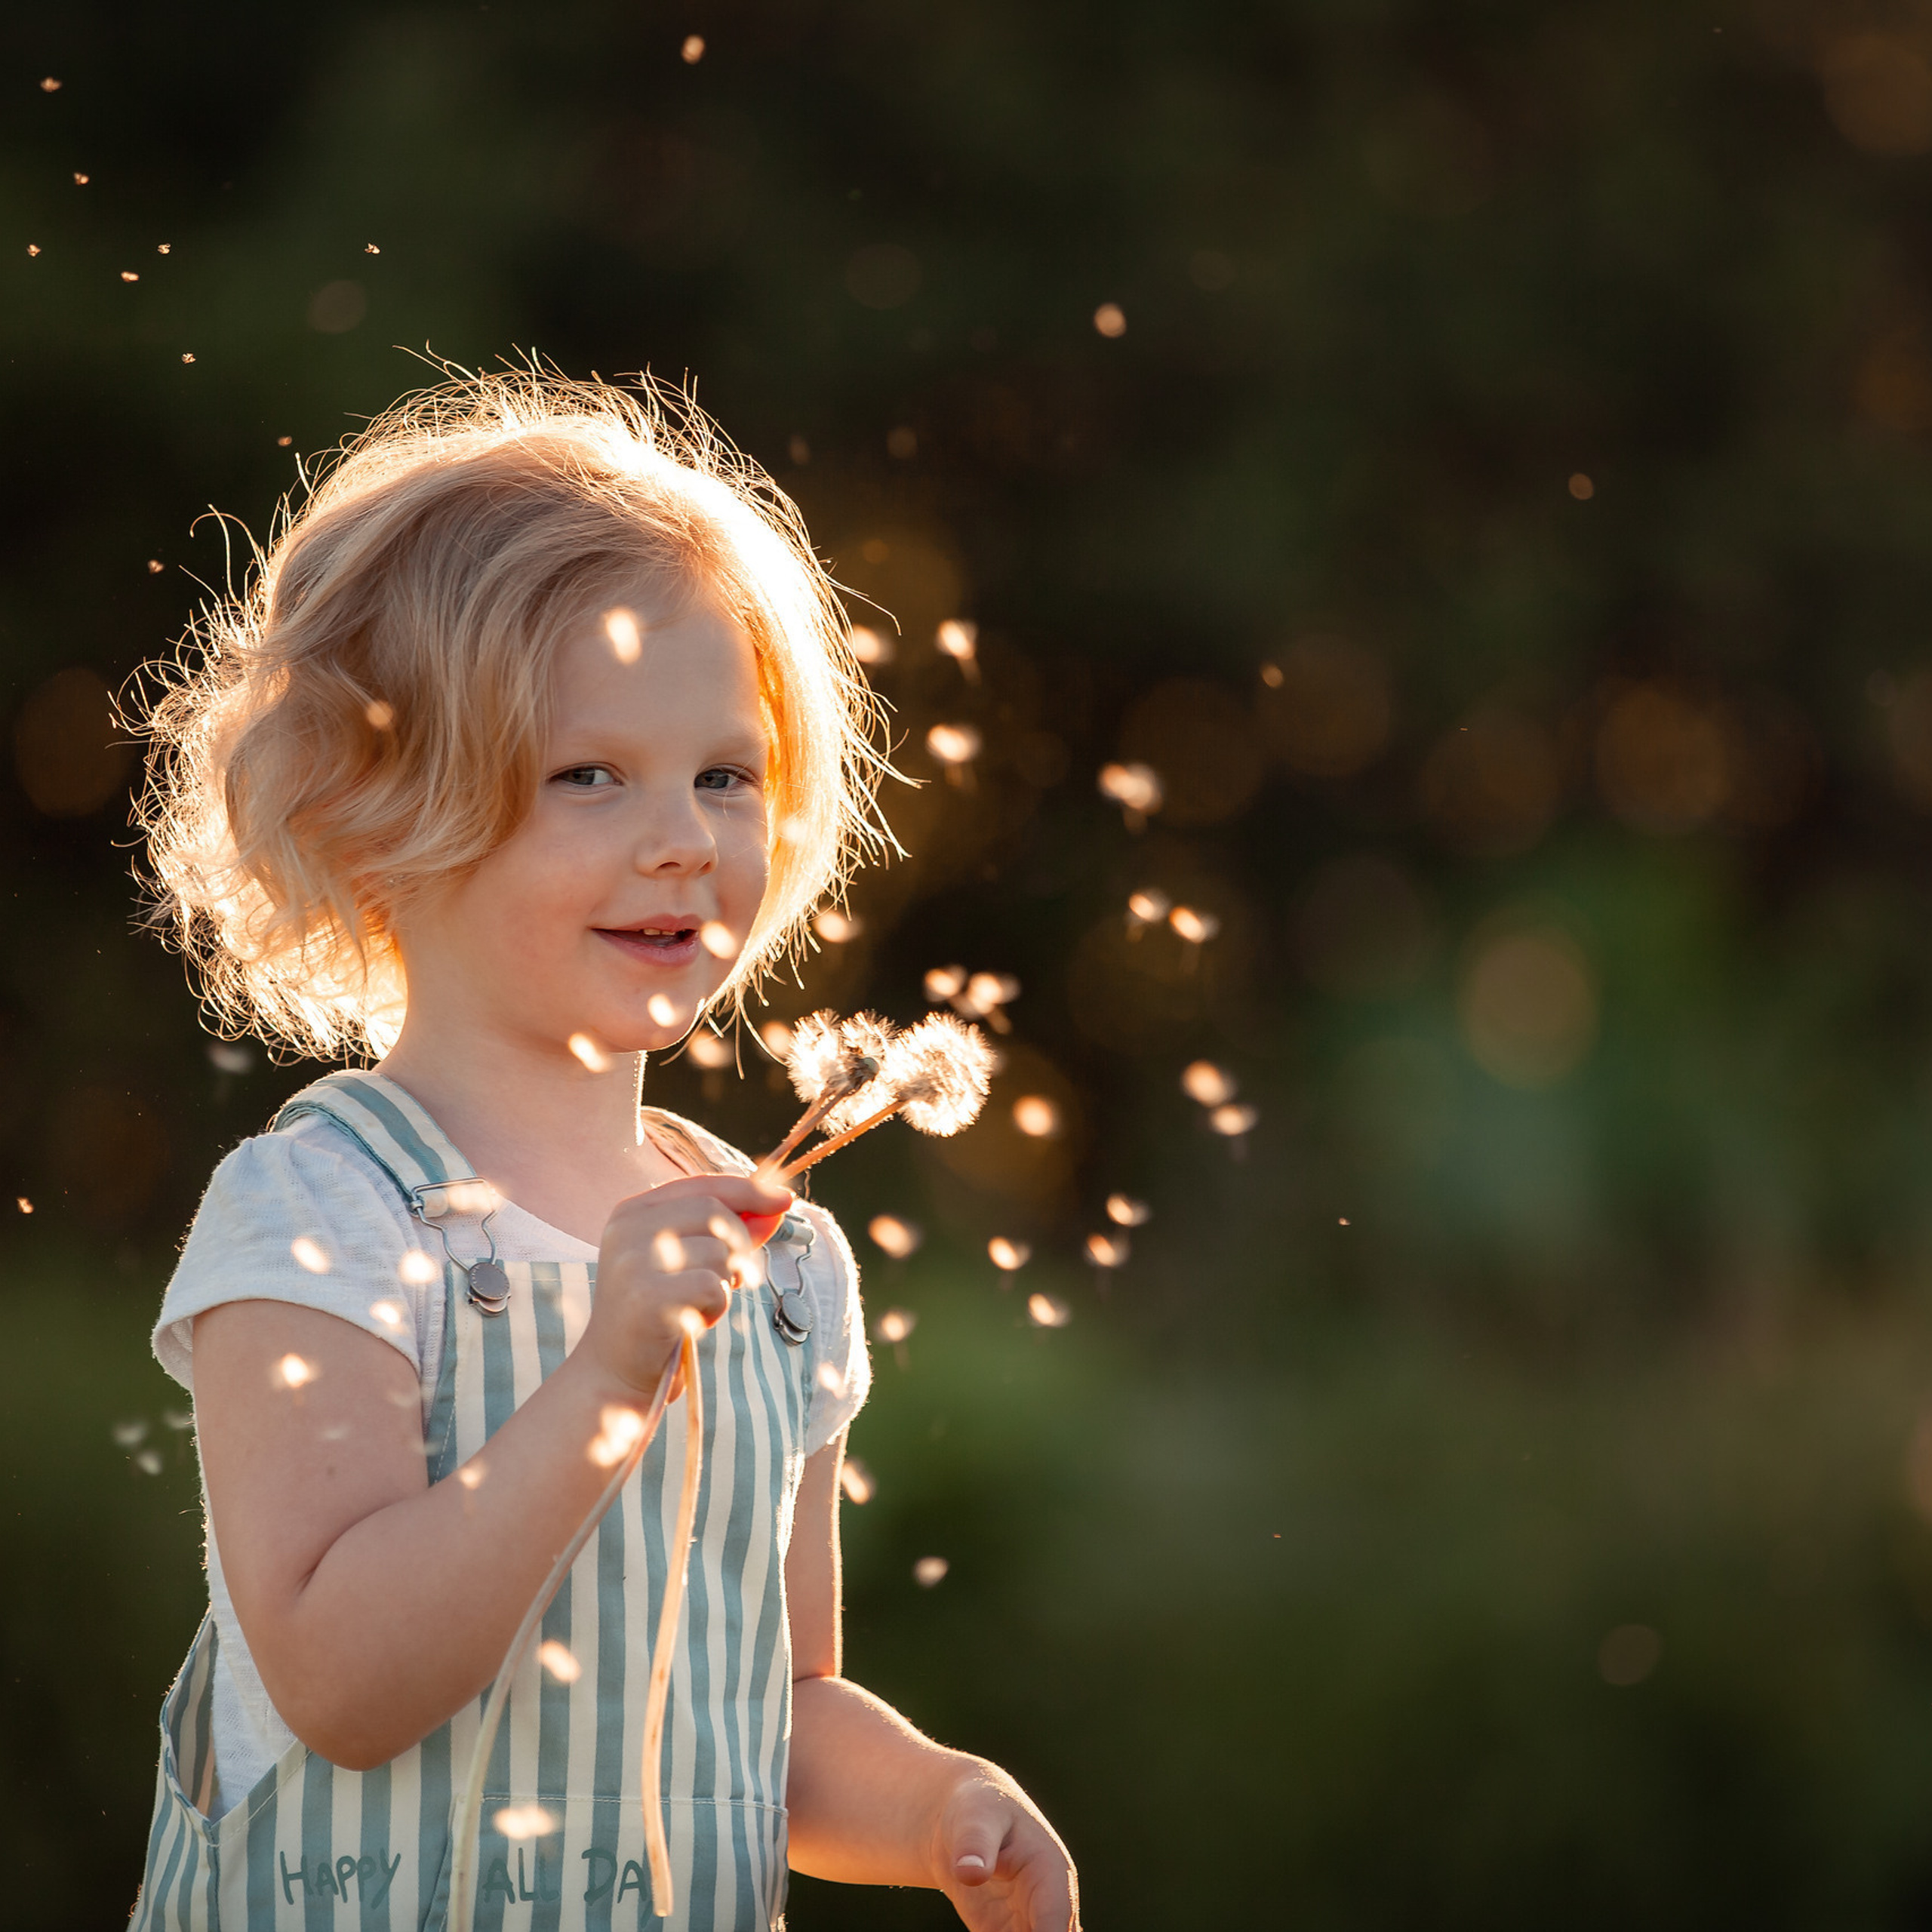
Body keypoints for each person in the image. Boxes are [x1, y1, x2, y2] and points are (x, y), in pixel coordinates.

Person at [125, 369, 1080, 1930]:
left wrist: (937, 1804)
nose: (681, 836)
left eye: (724, 772)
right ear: (375, 816)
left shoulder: (777, 1265)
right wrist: (602, 1382)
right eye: (588, 774)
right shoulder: (323, 1209)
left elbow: (773, 1718)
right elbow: (343, 1679)